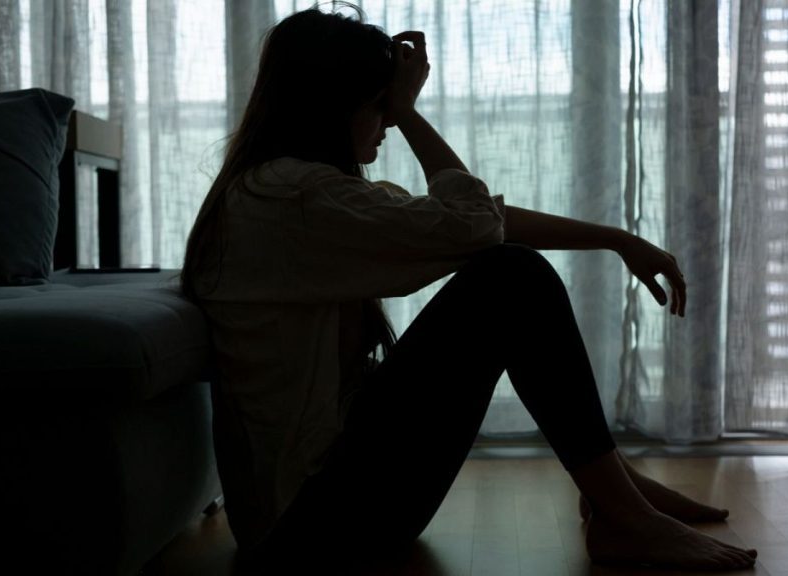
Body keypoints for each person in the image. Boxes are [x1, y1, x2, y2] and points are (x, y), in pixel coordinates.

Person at [182, 6, 757, 574]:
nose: (384, 121)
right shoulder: (295, 199)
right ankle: (620, 510)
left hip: (314, 511)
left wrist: (614, 239)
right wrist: (410, 114)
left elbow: (475, 221)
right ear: (336, 103)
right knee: (511, 280)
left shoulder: (289, 193)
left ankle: (615, 491)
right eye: (379, 104)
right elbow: (477, 225)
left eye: (389, 106)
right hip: (308, 529)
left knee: (508, 274)